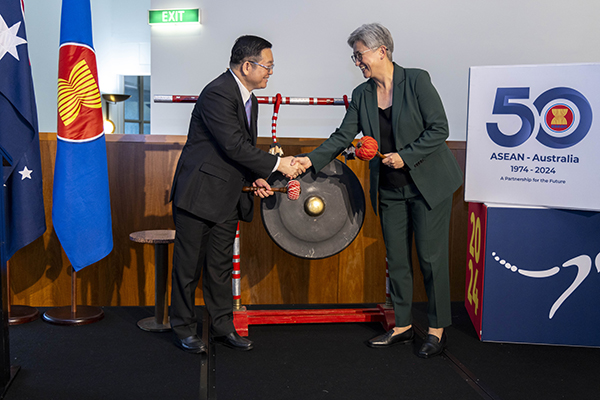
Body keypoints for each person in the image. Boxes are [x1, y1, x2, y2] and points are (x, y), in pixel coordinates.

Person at [293, 23, 463, 358]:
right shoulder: (361, 95)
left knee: (430, 258)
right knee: (397, 259)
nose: (357, 62)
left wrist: (406, 156)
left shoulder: (416, 80)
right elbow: (342, 137)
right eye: (354, 57)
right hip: (390, 188)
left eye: (360, 55)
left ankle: (437, 329)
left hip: (427, 185)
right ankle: (401, 326)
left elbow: (439, 127)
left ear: (381, 50)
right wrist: (306, 161)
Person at [169, 35, 304, 353]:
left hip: (228, 195)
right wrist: (277, 164)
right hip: (199, 194)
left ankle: (221, 326)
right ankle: (184, 328)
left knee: (220, 266)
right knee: (188, 268)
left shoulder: (250, 99)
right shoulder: (218, 92)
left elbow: (239, 153)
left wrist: (257, 177)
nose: (271, 72)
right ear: (247, 65)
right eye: (268, 66)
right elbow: (232, 144)